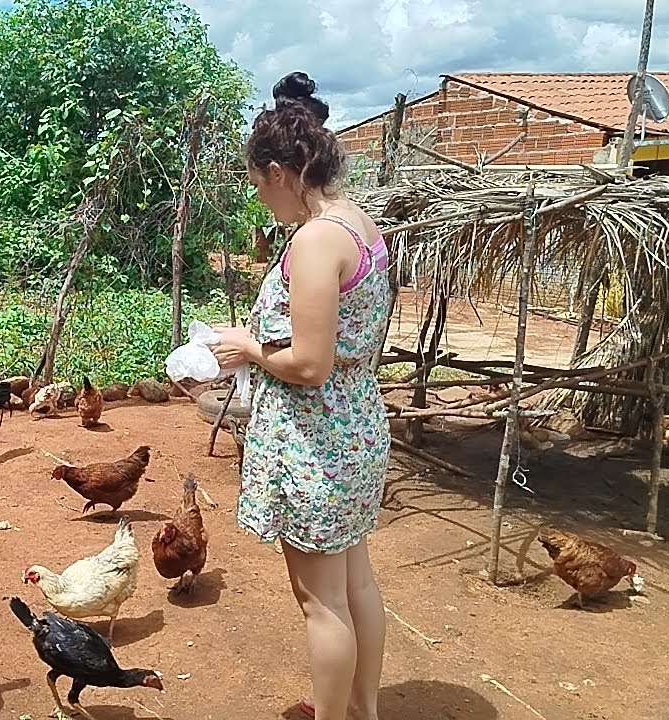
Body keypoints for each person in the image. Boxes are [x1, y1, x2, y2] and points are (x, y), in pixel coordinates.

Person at [210, 71, 391, 720]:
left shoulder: (315, 241)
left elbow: (310, 364)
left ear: (280, 172)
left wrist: (248, 347)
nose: (263, 201)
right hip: (356, 428)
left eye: (260, 186)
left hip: (318, 444)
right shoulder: (358, 223)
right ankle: (363, 710)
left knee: (322, 602)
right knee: (356, 583)